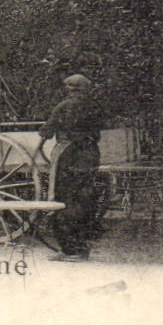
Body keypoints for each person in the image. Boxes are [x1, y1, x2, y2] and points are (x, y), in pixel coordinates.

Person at [36, 73, 106, 261]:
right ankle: (81, 248)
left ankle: (69, 249)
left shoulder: (64, 107)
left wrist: (44, 133)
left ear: (71, 89)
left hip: (69, 156)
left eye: (67, 87)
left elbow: (47, 131)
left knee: (63, 200)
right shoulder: (94, 107)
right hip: (90, 156)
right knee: (85, 200)